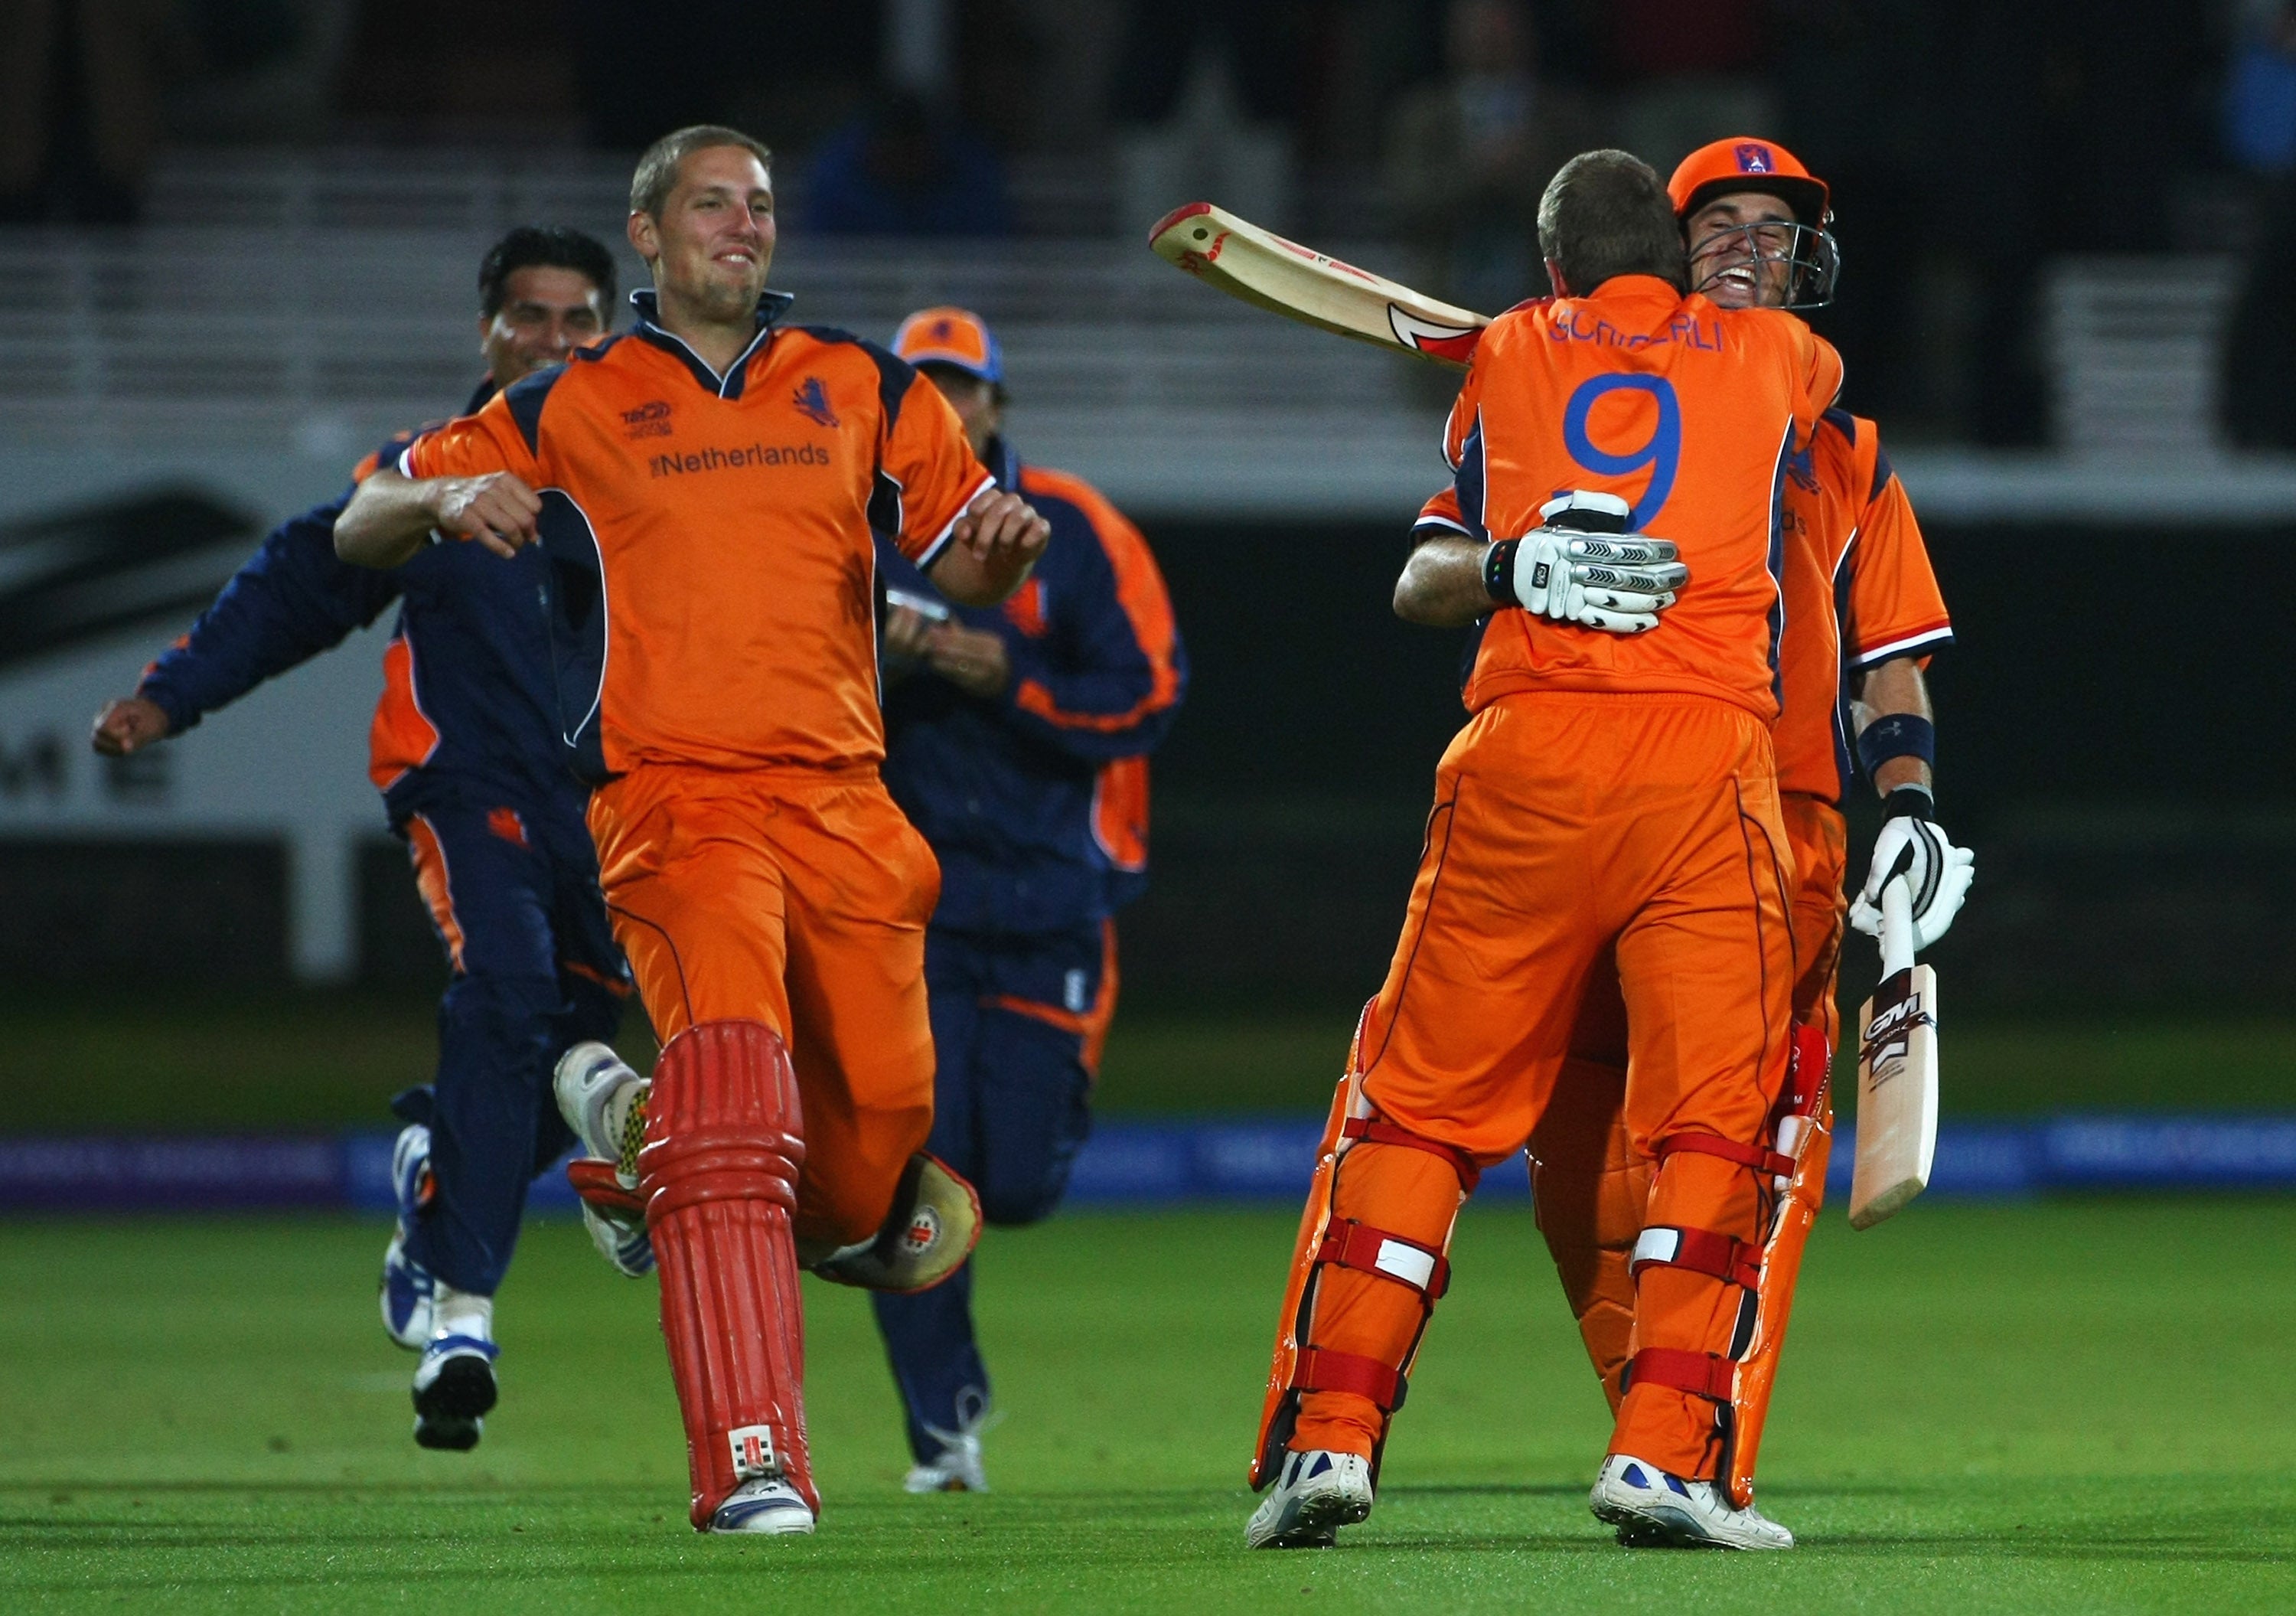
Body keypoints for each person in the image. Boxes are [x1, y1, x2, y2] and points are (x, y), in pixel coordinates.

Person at [332, 126, 1051, 1537]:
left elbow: (960, 547)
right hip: (677, 805)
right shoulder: (568, 403)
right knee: (739, 1103)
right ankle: (751, 1460)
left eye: (763, 205)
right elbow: (360, 524)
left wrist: (1000, 554)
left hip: (849, 808)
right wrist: (435, 492)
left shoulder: (863, 383)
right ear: (649, 236)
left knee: (864, 1174)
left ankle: (637, 1156)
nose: (745, 224)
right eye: (713, 204)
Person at [1241, 149, 1841, 1552]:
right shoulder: (1777, 352)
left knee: (1416, 1111)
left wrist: (1520, 552)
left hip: (1519, 760)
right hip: (1701, 769)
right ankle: (1665, 1455)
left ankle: (1330, 1436)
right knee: (1713, 1123)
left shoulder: (1503, 354)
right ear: (1679, 253)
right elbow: (1764, 370)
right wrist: (1512, 555)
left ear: (1550, 262)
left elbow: (1424, 579)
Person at [89, 227, 633, 1451]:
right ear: (486, 333)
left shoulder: (639, 473)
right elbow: (302, 577)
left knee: (582, 1053)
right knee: (507, 995)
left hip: (608, 807)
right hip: (466, 785)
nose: (553, 341)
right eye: (528, 318)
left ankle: (435, 1190)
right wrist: (172, 694)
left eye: (578, 320)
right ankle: (459, 1310)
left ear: (609, 334)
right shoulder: (430, 472)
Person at [1518, 134, 1971, 1539]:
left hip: (1782, 816)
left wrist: (1907, 809)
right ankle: (1657, 1427)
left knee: (1748, 1138)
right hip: (1588, 789)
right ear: (1665, 246)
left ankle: (1695, 1445)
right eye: (1719, 219)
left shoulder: (1849, 453)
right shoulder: (1579, 387)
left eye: (1775, 229)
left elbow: (1892, 663)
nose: (1746, 243)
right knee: (1570, 1140)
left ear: (1808, 262)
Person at [869, 307, 1186, 1493]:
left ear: (1000, 404)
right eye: (925, 391)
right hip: (908, 905)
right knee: (919, 1168)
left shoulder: (1079, 530)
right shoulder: (851, 525)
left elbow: (1147, 696)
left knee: (1017, 1185)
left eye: (965, 389)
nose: (948, 411)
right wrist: (883, 659)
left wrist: (1011, 679)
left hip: (1055, 899)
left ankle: (948, 1396)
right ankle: (943, 1424)